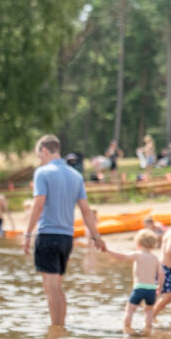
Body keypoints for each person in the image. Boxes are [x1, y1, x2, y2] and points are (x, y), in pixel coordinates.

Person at [23, 134, 106, 327]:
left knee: (51, 288)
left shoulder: (42, 173)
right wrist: (96, 237)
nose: (39, 160)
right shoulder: (76, 176)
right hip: (66, 239)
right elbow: (85, 209)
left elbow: (38, 205)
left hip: (47, 235)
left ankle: (56, 330)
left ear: (44, 150)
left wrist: (27, 233)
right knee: (58, 288)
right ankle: (60, 331)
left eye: (39, 155)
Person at [103, 229, 165, 335]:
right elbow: (162, 274)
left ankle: (126, 328)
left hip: (139, 287)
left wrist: (108, 250)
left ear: (139, 243)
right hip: (151, 289)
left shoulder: (138, 254)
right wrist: (159, 286)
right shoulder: (155, 258)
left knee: (130, 309)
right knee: (149, 311)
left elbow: (123, 256)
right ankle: (147, 330)